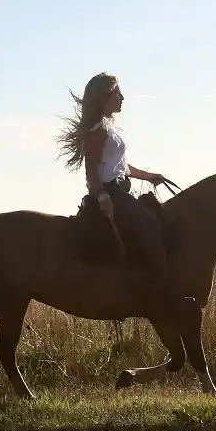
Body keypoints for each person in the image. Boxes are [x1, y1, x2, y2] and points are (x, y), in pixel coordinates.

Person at [57, 72, 174, 288]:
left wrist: (149, 177)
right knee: (151, 225)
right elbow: (91, 170)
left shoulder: (108, 128)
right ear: (105, 97)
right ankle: (157, 287)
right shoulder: (98, 131)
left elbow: (121, 166)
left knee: (154, 221)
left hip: (119, 189)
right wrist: (102, 196)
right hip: (111, 192)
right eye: (118, 93)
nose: (122, 98)